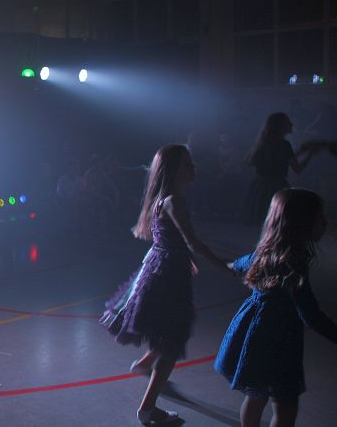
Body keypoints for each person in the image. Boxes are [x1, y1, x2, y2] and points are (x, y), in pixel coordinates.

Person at [100, 144, 232, 425]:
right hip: (167, 276)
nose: (193, 167)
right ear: (173, 170)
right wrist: (226, 267)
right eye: (187, 163)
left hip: (161, 268)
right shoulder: (173, 201)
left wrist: (185, 257)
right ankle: (147, 409)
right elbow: (193, 243)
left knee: (168, 330)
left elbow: (171, 240)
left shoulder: (164, 199)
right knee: (172, 339)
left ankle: (145, 363)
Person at [215, 189, 337, 427]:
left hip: (255, 333)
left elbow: (237, 265)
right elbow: (310, 314)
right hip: (280, 340)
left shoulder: (265, 253)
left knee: (256, 396)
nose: (325, 223)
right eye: (320, 218)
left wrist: (219, 262)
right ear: (302, 223)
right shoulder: (294, 263)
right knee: (285, 404)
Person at [239, 113, 315, 225]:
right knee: (277, 222)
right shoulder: (284, 145)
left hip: (260, 187)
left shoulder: (263, 143)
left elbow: (253, 161)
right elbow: (297, 169)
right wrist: (311, 153)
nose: (291, 124)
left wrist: (300, 152)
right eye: (287, 122)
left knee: (262, 222)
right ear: (280, 126)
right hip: (276, 187)